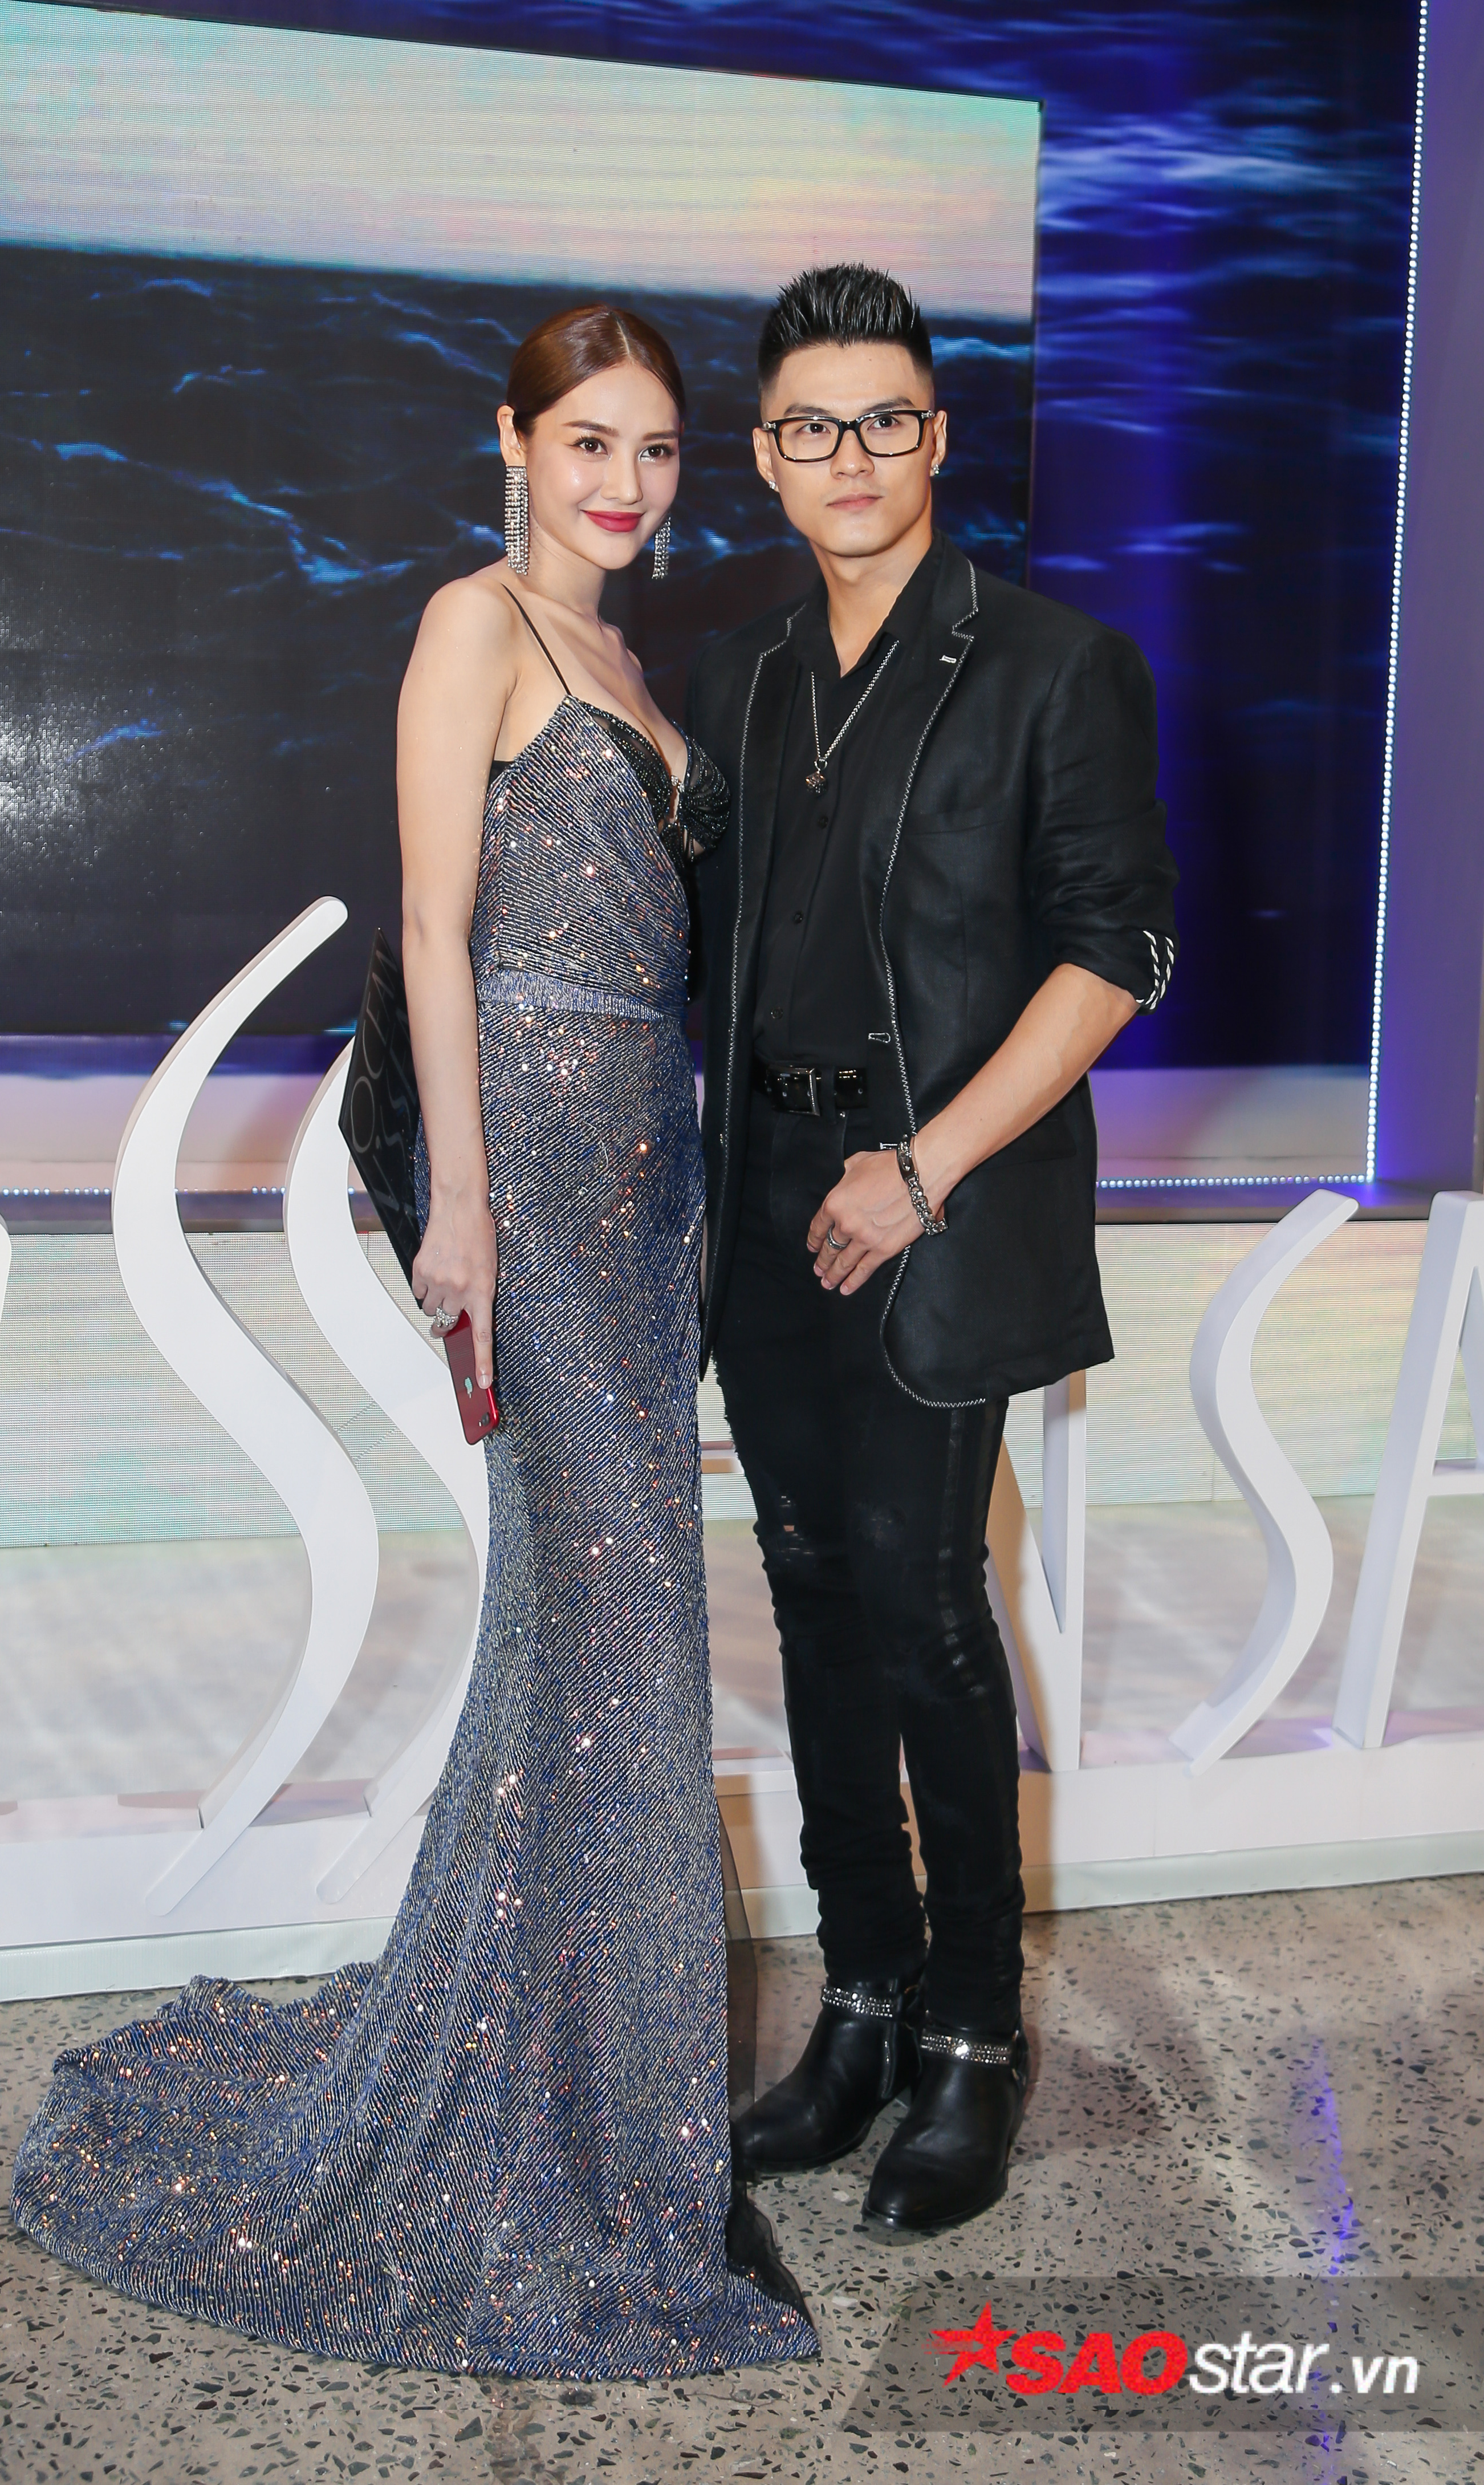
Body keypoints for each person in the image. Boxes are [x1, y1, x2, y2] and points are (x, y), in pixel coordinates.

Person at [10, 305, 819, 2377]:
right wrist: (456, 1198)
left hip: (647, 1173)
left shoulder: (629, 663)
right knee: (626, 1635)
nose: (625, 484)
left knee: (589, 1638)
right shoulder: (478, 626)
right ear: (513, 443)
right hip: (528, 1165)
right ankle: (614, 2137)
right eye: (589, 443)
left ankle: (582, 2086)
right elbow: (438, 930)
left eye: (654, 448)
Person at [688, 265, 1178, 2238]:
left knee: (922, 1609)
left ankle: (975, 2032)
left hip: (929, 1199)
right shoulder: (739, 673)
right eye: (811, 426)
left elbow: (1116, 951)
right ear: (764, 456)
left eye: (883, 420)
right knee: (809, 1599)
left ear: (935, 438)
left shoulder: (1055, 664)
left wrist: (923, 1165)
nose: (850, 457)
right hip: (759, 1200)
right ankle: (864, 2003)